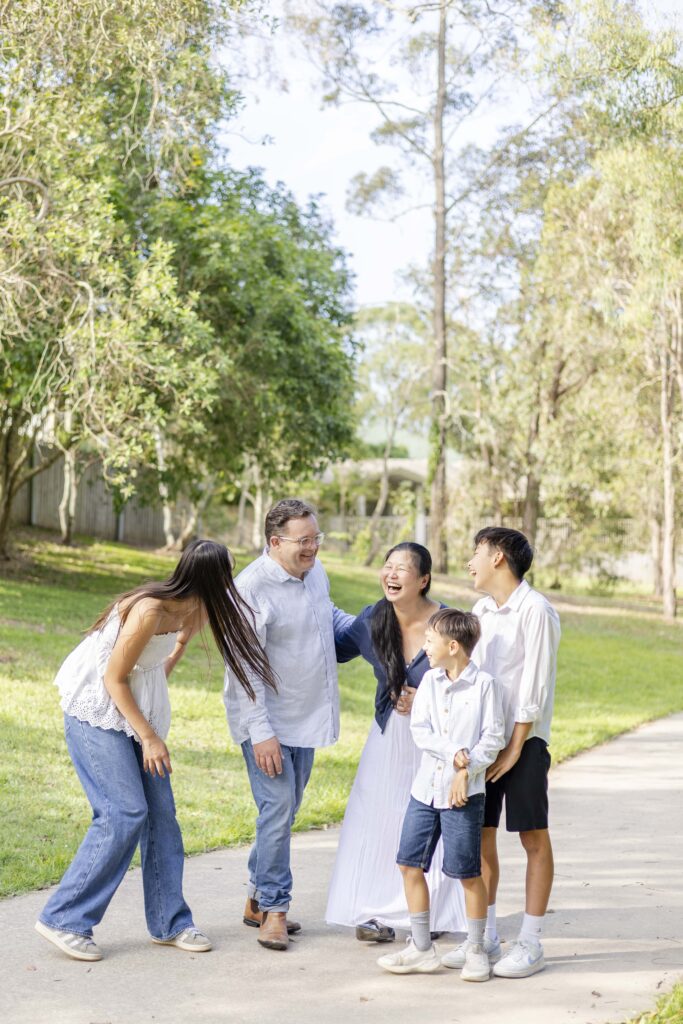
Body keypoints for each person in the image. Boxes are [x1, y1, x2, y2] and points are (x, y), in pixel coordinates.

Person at [36, 539, 276, 963]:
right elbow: (114, 679)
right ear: (208, 578)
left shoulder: (198, 608)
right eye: (227, 574)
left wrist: (180, 649)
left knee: (162, 818)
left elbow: (151, 666)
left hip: (137, 709)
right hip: (97, 709)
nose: (231, 582)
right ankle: (64, 918)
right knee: (123, 812)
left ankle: (170, 922)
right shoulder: (148, 608)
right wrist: (149, 736)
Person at [223, 498, 352, 952]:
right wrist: (261, 732)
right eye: (304, 541)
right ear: (275, 542)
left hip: (307, 714)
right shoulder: (250, 589)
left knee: (283, 811)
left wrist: (369, 627)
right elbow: (243, 667)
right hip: (267, 722)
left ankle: (257, 898)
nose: (313, 548)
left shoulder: (314, 574)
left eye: (316, 538)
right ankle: (275, 909)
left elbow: (327, 618)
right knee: (277, 811)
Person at [326, 542, 467, 941]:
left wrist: (426, 698)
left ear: (423, 579)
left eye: (401, 568)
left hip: (436, 743)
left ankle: (429, 914)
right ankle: (373, 912)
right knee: (377, 819)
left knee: (432, 818)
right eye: (387, 566)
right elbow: (334, 650)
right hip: (388, 737)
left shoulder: (450, 623)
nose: (391, 574)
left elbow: (472, 681)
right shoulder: (373, 619)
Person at [450, 526, 561, 979]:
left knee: (532, 835)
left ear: (498, 557)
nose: (469, 561)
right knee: (483, 835)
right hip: (486, 743)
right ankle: (487, 936)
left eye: (475, 552)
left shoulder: (536, 611)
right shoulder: (480, 611)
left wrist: (516, 747)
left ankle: (531, 941)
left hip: (524, 743)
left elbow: (534, 686)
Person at [377, 608, 504, 980]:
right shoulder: (430, 683)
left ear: (453, 645)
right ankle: (421, 948)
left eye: (430, 641)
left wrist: (466, 770)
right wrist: (455, 756)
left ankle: (477, 949)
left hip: (464, 795)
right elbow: (422, 731)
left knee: (466, 872)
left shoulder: (485, 687)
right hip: (425, 789)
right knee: (408, 864)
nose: (424, 646)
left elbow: (493, 738)